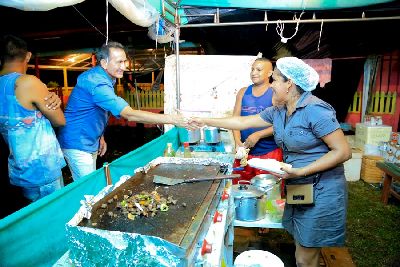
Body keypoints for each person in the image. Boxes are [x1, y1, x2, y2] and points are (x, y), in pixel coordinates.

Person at [190, 57, 352, 267]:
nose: (272, 85)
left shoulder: (315, 109)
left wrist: (301, 171)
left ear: (290, 84)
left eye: (275, 80)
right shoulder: (280, 110)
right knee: (301, 241)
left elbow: (343, 151)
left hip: (322, 189)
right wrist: (205, 120)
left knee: (305, 256)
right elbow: (242, 121)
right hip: (300, 185)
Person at [57, 41, 192, 181]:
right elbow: (129, 114)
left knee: (90, 183)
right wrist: (174, 119)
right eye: (119, 62)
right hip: (77, 141)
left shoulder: (106, 77)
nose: (124, 66)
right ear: (104, 63)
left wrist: (100, 136)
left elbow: (96, 110)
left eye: (124, 61)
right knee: (87, 188)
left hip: (90, 139)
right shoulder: (97, 83)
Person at [0, 34, 66, 204]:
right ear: (28, 56)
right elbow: (60, 120)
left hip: (18, 167)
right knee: (54, 217)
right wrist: (54, 102)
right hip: (42, 169)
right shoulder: (27, 82)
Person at [232, 57, 282, 184]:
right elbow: (235, 120)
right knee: (241, 190)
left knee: (268, 195)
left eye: (259, 70)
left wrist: (258, 135)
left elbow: (281, 123)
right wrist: (238, 142)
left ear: (270, 73)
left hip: (269, 153)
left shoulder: (275, 93)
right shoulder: (243, 92)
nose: (254, 72)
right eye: (252, 69)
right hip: (245, 154)